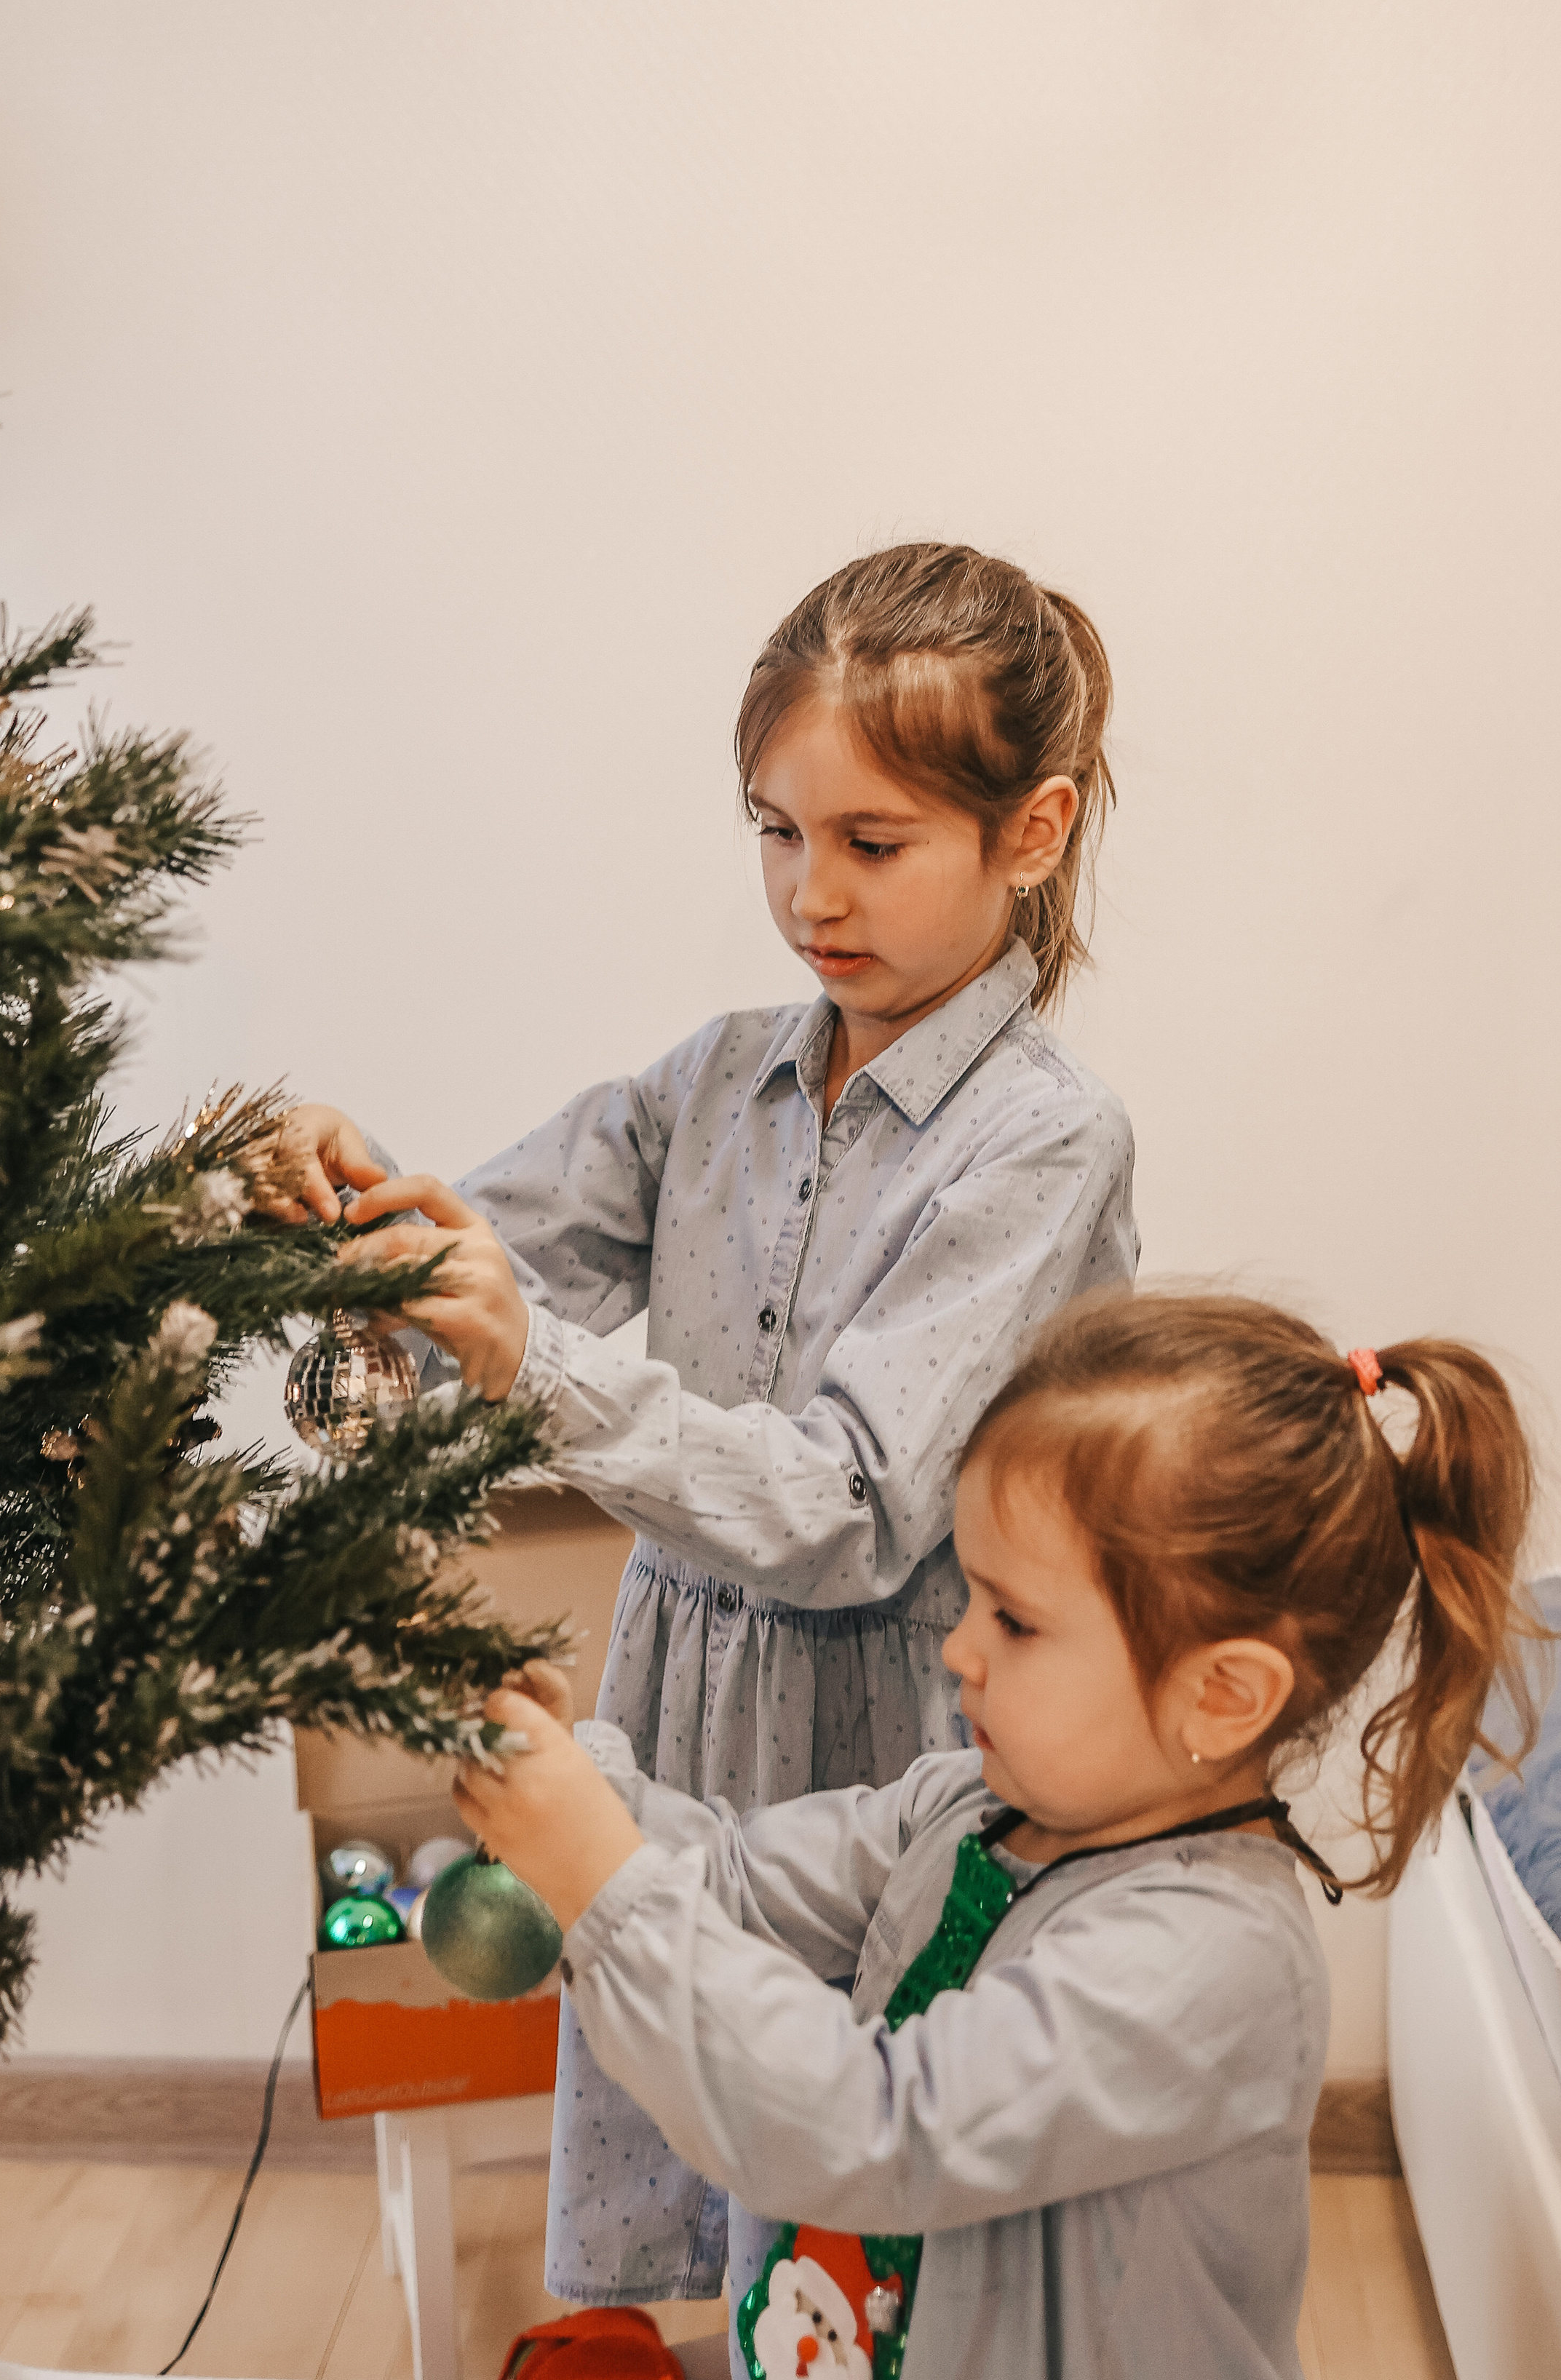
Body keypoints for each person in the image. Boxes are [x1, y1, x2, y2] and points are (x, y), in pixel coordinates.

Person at [269, 542, 1140, 2303]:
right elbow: (482, 1265)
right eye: (773, 829)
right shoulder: (715, 1077)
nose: (809, 892)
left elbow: (846, 1503)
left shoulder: (1040, 1141)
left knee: (840, 2172)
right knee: (671, 2066)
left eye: (869, 843)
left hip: (888, 1729)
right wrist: (346, 1211)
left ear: (1029, 832)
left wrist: (535, 1367)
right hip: (680, 1689)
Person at [454, 1292, 1547, 2380]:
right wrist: (586, 1787)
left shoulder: (1213, 1959)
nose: (960, 1652)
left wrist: (599, 1877)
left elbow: (876, 2129)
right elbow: (739, 1878)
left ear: (1222, 1697)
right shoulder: (970, 1805)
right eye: (971, 1599)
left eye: (1014, 1621)